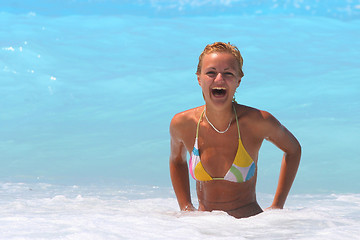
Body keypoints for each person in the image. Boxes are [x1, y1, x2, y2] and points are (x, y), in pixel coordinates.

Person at [169, 42, 301, 219]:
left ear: (238, 81)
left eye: (228, 73)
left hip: (249, 227)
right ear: (199, 79)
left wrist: (277, 206)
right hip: (203, 228)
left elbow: (293, 150)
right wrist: (185, 207)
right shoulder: (183, 124)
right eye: (211, 72)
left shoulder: (257, 122)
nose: (219, 79)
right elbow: (177, 161)